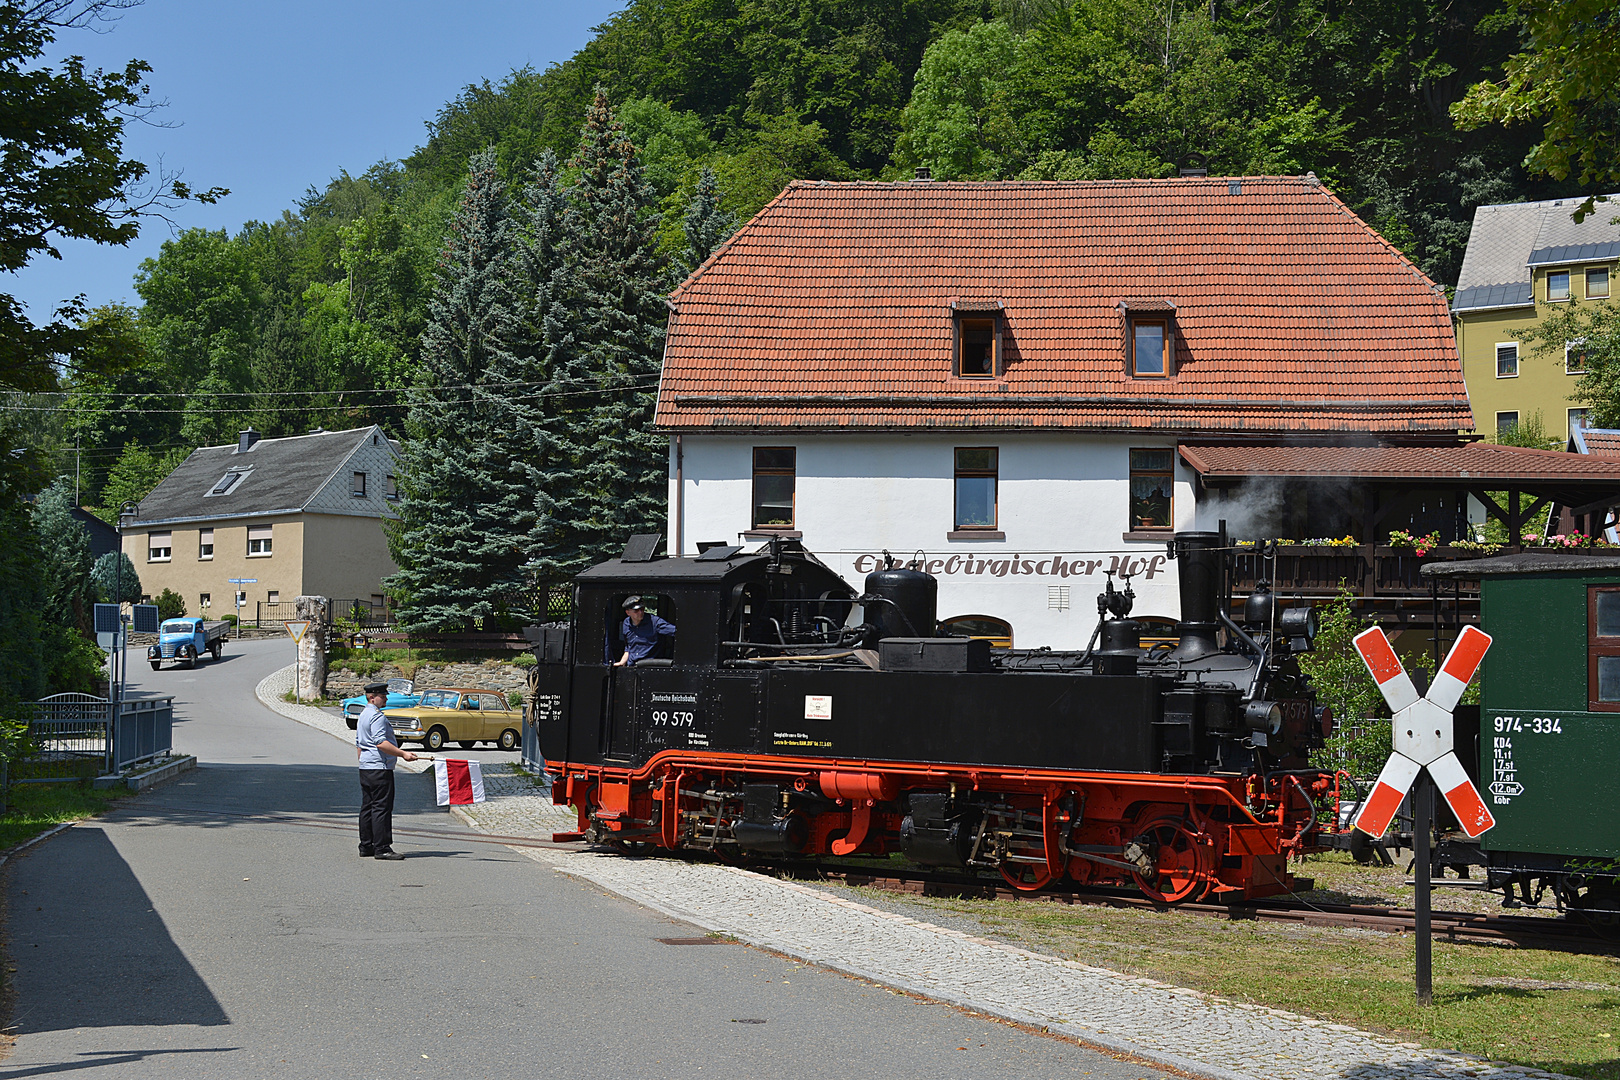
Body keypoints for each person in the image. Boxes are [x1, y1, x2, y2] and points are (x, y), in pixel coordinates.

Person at [355, 680, 418, 860]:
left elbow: (359, 743)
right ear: (372, 697)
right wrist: (402, 753)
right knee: (381, 807)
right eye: (382, 696)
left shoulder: (364, 715)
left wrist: (363, 761)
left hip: (367, 766)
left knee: (367, 806)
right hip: (379, 767)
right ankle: (382, 848)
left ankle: (366, 845)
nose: (386, 699)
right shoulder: (376, 716)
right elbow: (381, 742)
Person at [612, 596, 676, 666]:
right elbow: (628, 647)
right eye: (636, 611)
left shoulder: (655, 622)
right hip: (632, 666)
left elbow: (677, 632)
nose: (640, 612)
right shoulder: (626, 623)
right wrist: (622, 662)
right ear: (628, 612)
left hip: (649, 666)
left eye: (642, 609)